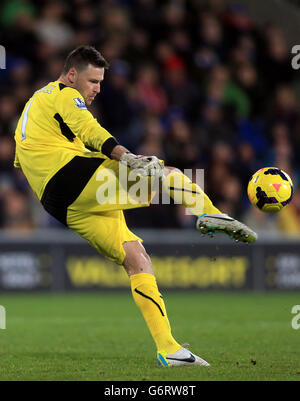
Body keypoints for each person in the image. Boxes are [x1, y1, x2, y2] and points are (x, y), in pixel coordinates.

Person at [14, 45, 257, 367]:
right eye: (92, 81)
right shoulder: (63, 93)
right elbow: (90, 130)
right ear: (72, 75)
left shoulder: (36, 105)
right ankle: (209, 212)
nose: (97, 89)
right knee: (164, 172)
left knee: (137, 260)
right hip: (71, 178)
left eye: (100, 82)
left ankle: (169, 350)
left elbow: (21, 159)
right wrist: (125, 157)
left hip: (62, 204)